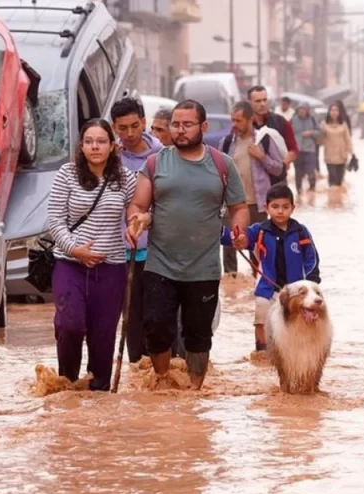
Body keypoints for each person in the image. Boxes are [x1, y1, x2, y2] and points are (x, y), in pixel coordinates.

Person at [127, 100, 250, 390]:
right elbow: (138, 204)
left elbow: (239, 207)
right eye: (176, 125)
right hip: (160, 264)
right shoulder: (156, 163)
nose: (180, 131)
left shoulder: (222, 164)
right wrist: (137, 221)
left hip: (203, 267)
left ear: (203, 127)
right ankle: (162, 382)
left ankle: (194, 391)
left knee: (198, 336)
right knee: (156, 328)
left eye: (187, 124)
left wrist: (239, 230)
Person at [47, 119, 137, 391]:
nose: (95, 146)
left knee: (104, 336)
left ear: (112, 146)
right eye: (89, 141)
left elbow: (139, 210)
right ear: (81, 146)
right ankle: (68, 384)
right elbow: (54, 220)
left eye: (101, 141)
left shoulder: (126, 178)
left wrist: (135, 224)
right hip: (69, 264)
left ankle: (98, 394)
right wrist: (75, 249)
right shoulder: (67, 174)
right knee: (70, 325)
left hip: (111, 269)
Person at [109, 97, 181, 363]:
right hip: (123, 252)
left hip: (160, 251)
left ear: (144, 123)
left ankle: (168, 371)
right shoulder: (109, 159)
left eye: (134, 126)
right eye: (122, 128)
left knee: (162, 316)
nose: (129, 134)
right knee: (132, 319)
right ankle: (138, 374)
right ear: (114, 128)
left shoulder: (165, 156)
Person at [220, 183, 320, 355]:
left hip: (295, 293)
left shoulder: (301, 233)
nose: (280, 211)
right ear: (266, 208)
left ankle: (295, 354)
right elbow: (236, 239)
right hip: (267, 289)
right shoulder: (259, 231)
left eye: (285, 207)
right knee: (261, 321)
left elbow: (312, 260)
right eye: (275, 207)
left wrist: (310, 287)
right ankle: (262, 353)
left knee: (297, 323)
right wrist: (218, 230)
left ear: (293, 208)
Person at [219, 100, 283, 276]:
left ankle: (258, 284)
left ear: (250, 120)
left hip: (257, 204)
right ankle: (231, 286)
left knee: (257, 249)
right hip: (232, 204)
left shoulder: (264, 140)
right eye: (232, 120)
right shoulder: (226, 143)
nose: (234, 124)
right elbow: (218, 172)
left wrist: (261, 156)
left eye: (238, 120)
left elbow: (278, 168)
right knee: (229, 248)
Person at [246, 86, 297, 178]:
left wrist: (283, 165)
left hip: (277, 179)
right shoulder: (245, 124)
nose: (262, 104)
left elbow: (293, 149)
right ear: (249, 103)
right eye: (258, 101)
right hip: (252, 179)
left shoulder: (280, 122)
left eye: (265, 100)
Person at [321, 101, 353, 188]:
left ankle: (338, 201)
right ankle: (332, 200)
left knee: (339, 182)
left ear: (339, 112)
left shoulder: (343, 125)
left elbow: (348, 140)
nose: (334, 112)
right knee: (332, 181)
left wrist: (352, 153)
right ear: (329, 112)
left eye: (336, 110)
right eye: (332, 110)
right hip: (330, 157)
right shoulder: (324, 125)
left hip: (342, 156)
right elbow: (320, 140)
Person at [290, 104, 319, 192]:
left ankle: (312, 189)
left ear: (307, 111)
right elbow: (287, 132)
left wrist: (311, 132)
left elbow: (320, 132)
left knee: (311, 170)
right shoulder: (293, 120)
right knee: (298, 172)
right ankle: (299, 191)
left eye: (303, 109)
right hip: (297, 150)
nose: (301, 111)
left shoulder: (312, 120)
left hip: (310, 149)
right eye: (300, 109)